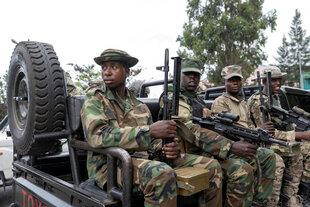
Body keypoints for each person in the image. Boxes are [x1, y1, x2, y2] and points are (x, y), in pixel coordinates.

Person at [81, 49, 223, 207]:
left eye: (113, 67)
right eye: (104, 68)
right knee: (161, 173)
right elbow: (97, 137)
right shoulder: (95, 98)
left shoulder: (140, 106)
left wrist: (167, 148)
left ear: (127, 72)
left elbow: (154, 141)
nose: (107, 72)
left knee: (212, 167)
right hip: (111, 165)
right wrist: (149, 132)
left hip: (145, 159)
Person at [159, 59, 276, 207]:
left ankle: (258, 203)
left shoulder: (198, 100)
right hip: (183, 152)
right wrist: (230, 146)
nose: (192, 78)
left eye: (196, 75)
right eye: (188, 74)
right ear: (179, 76)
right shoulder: (173, 98)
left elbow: (213, 126)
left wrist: (245, 136)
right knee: (242, 169)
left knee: (267, 156)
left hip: (205, 148)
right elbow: (190, 131)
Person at [211, 65, 282, 206]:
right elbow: (224, 130)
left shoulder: (243, 103)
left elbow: (249, 127)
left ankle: (259, 201)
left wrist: (259, 132)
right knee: (246, 166)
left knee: (269, 156)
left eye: (238, 80)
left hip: (247, 144)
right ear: (225, 82)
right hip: (230, 148)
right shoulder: (220, 102)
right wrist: (256, 131)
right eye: (231, 80)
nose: (235, 83)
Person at [248, 66, 303, 207]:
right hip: (263, 143)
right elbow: (267, 133)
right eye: (273, 80)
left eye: (279, 79)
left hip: (276, 141)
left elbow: (280, 125)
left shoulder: (276, 98)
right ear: (265, 82)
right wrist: (298, 134)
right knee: (277, 162)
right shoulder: (259, 101)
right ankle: (272, 202)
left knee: (297, 154)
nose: (278, 83)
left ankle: (290, 198)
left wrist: (292, 129)